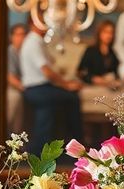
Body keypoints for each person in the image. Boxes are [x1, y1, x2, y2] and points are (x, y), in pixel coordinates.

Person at [19, 19, 83, 155]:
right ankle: (76, 143)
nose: (45, 23)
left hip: (40, 88)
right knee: (72, 97)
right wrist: (66, 85)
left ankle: (52, 146)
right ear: (32, 23)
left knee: (57, 104)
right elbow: (47, 72)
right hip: (37, 89)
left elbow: (51, 65)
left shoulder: (38, 42)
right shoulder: (33, 42)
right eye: (41, 21)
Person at [78, 20, 121, 88]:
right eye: (106, 32)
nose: (109, 35)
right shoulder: (90, 50)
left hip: (109, 87)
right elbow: (80, 72)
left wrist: (115, 81)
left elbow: (116, 73)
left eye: (111, 33)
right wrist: (93, 79)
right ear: (100, 33)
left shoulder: (113, 53)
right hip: (91, 86)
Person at [6, 23, 27, 134]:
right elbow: (9, 77)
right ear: (12, 37)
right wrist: (23, 88)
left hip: (21, 86)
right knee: (15, 98)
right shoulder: (10, 51)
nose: (21, 38)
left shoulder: (25, 52)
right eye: (18, 35)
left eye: (23, 34)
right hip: (11, 88)